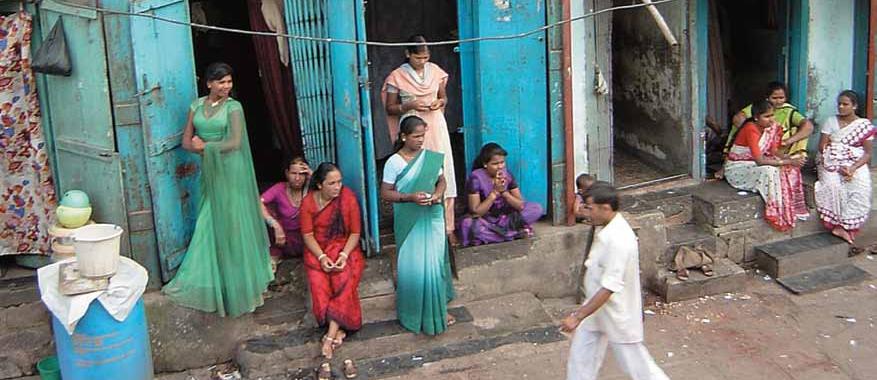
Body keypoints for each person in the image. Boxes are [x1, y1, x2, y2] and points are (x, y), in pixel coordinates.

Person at [162, 62, 273, 317]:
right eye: (221, 82)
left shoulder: (234, 108)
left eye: (229, 82)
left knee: (233, 222)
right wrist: (199, 148)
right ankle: (215, 281)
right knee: (209, 221)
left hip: (232, 171)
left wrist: (205, 147)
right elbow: (185, 142)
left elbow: (234, 142)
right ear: (209, 83)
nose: (226, 87)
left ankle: (240, 283)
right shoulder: (195, 106)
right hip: (209, 170)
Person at [561, 185, 668, 380]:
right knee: (581, 359)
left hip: (617, 313)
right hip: (595, 310)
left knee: (637, 366)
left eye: (590, 208)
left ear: (606, 208)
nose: (586, 213)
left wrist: (577, 316)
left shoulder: (619, 240)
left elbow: (610, 287)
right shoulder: (605, 228)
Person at [380, 115, 456, 335]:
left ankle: (438, 310)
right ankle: (413, 314)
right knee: (412, 266)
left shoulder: (430, 158)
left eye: (423, 136)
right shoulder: (393, 162)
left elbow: (441, 181)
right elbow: (386, 192)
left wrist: (437, 195)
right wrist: (409, 197)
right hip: (409, 219)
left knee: (434, 265)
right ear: (403, 136)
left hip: (432, 215)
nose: (420, 140)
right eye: (416, 136)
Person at [383, 35, 458, 245]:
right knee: (416, 171)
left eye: (426, 57)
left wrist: (438, 102)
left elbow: (443, 97)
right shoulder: (396, 76)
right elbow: (389, 107)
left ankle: (447, 226)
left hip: (435, 125)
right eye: (418, 57)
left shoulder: (435, 71)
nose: (423, 61)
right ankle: (416, 223)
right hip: (411, 124)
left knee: (444, 171)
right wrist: (408, 106)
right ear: (408, 54)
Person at [300, 163, 365, 359]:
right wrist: (321, 257)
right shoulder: (309, 203)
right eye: (332, 183)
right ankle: (339, 330)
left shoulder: (348, 198)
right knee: (319, 285)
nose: (338, 187)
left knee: (343, 278)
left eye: (339, 182)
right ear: (320, 185)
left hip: (345, 248)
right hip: (317, 250)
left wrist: (343, 255)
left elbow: (355, 233)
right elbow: (308, 235)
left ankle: (329, 336)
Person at [723, 99, 808, 231]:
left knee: (790, 169)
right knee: (769, 170)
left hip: (754, 164)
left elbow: (774, 151)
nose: (771, 119)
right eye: (766, 116)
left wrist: (790, 158)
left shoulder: (770, 128)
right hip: (738, 168)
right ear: (756, 117)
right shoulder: (750, 128)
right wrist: (788, 161)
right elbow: (760, 161)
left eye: (772, 115)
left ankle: (790, 208)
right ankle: (775, 210)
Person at [717, 82, 814, 179]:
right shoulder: (760, 106)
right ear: (767, 97)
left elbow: (808, 127)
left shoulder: (788, 110)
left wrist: (786, 140)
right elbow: (738, 119)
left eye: (781, 98)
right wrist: (753, 131)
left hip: (780, 144)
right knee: (739, 128)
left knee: (799, 131)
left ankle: (794, 159)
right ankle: (727, 163)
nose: (778, 102)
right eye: (774, 98)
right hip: (755, 142)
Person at [815, 90, 875, 244]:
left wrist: (852, 168)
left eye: (845, 104)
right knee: (832, 186)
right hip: (829, 159)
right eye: (839, 104)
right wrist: (838, 161)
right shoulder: (830, 121)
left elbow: (867, 153)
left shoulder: (864, 125)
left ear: (854, 106)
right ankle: (835, 225)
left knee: (861, 186)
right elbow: (823, 147)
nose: (841, 107)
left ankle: (847, 225)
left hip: (855, 161)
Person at [458, 143, 543, 246]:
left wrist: (504, 193)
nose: (500, 167)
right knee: (467, 224)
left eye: (502, 162)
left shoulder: (507, 175)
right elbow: (476, 212)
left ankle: (500, 235)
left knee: (536, 209)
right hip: (486, 220)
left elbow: (520, 205)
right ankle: (512, 235)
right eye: (495, 164)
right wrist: (494, 193)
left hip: (505, 219)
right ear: (485, 164)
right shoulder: (476, 178)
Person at [260, 157, 311, 264]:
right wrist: (275, 225)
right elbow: (258, 203)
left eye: (301, 174)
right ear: (287, 173)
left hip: (309, 240)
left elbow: (331, 195)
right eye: (294, 173)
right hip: (284, 240)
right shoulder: (279, 188)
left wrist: (313, 177)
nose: (297, 178)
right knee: (269, 265)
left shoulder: (312, 189)